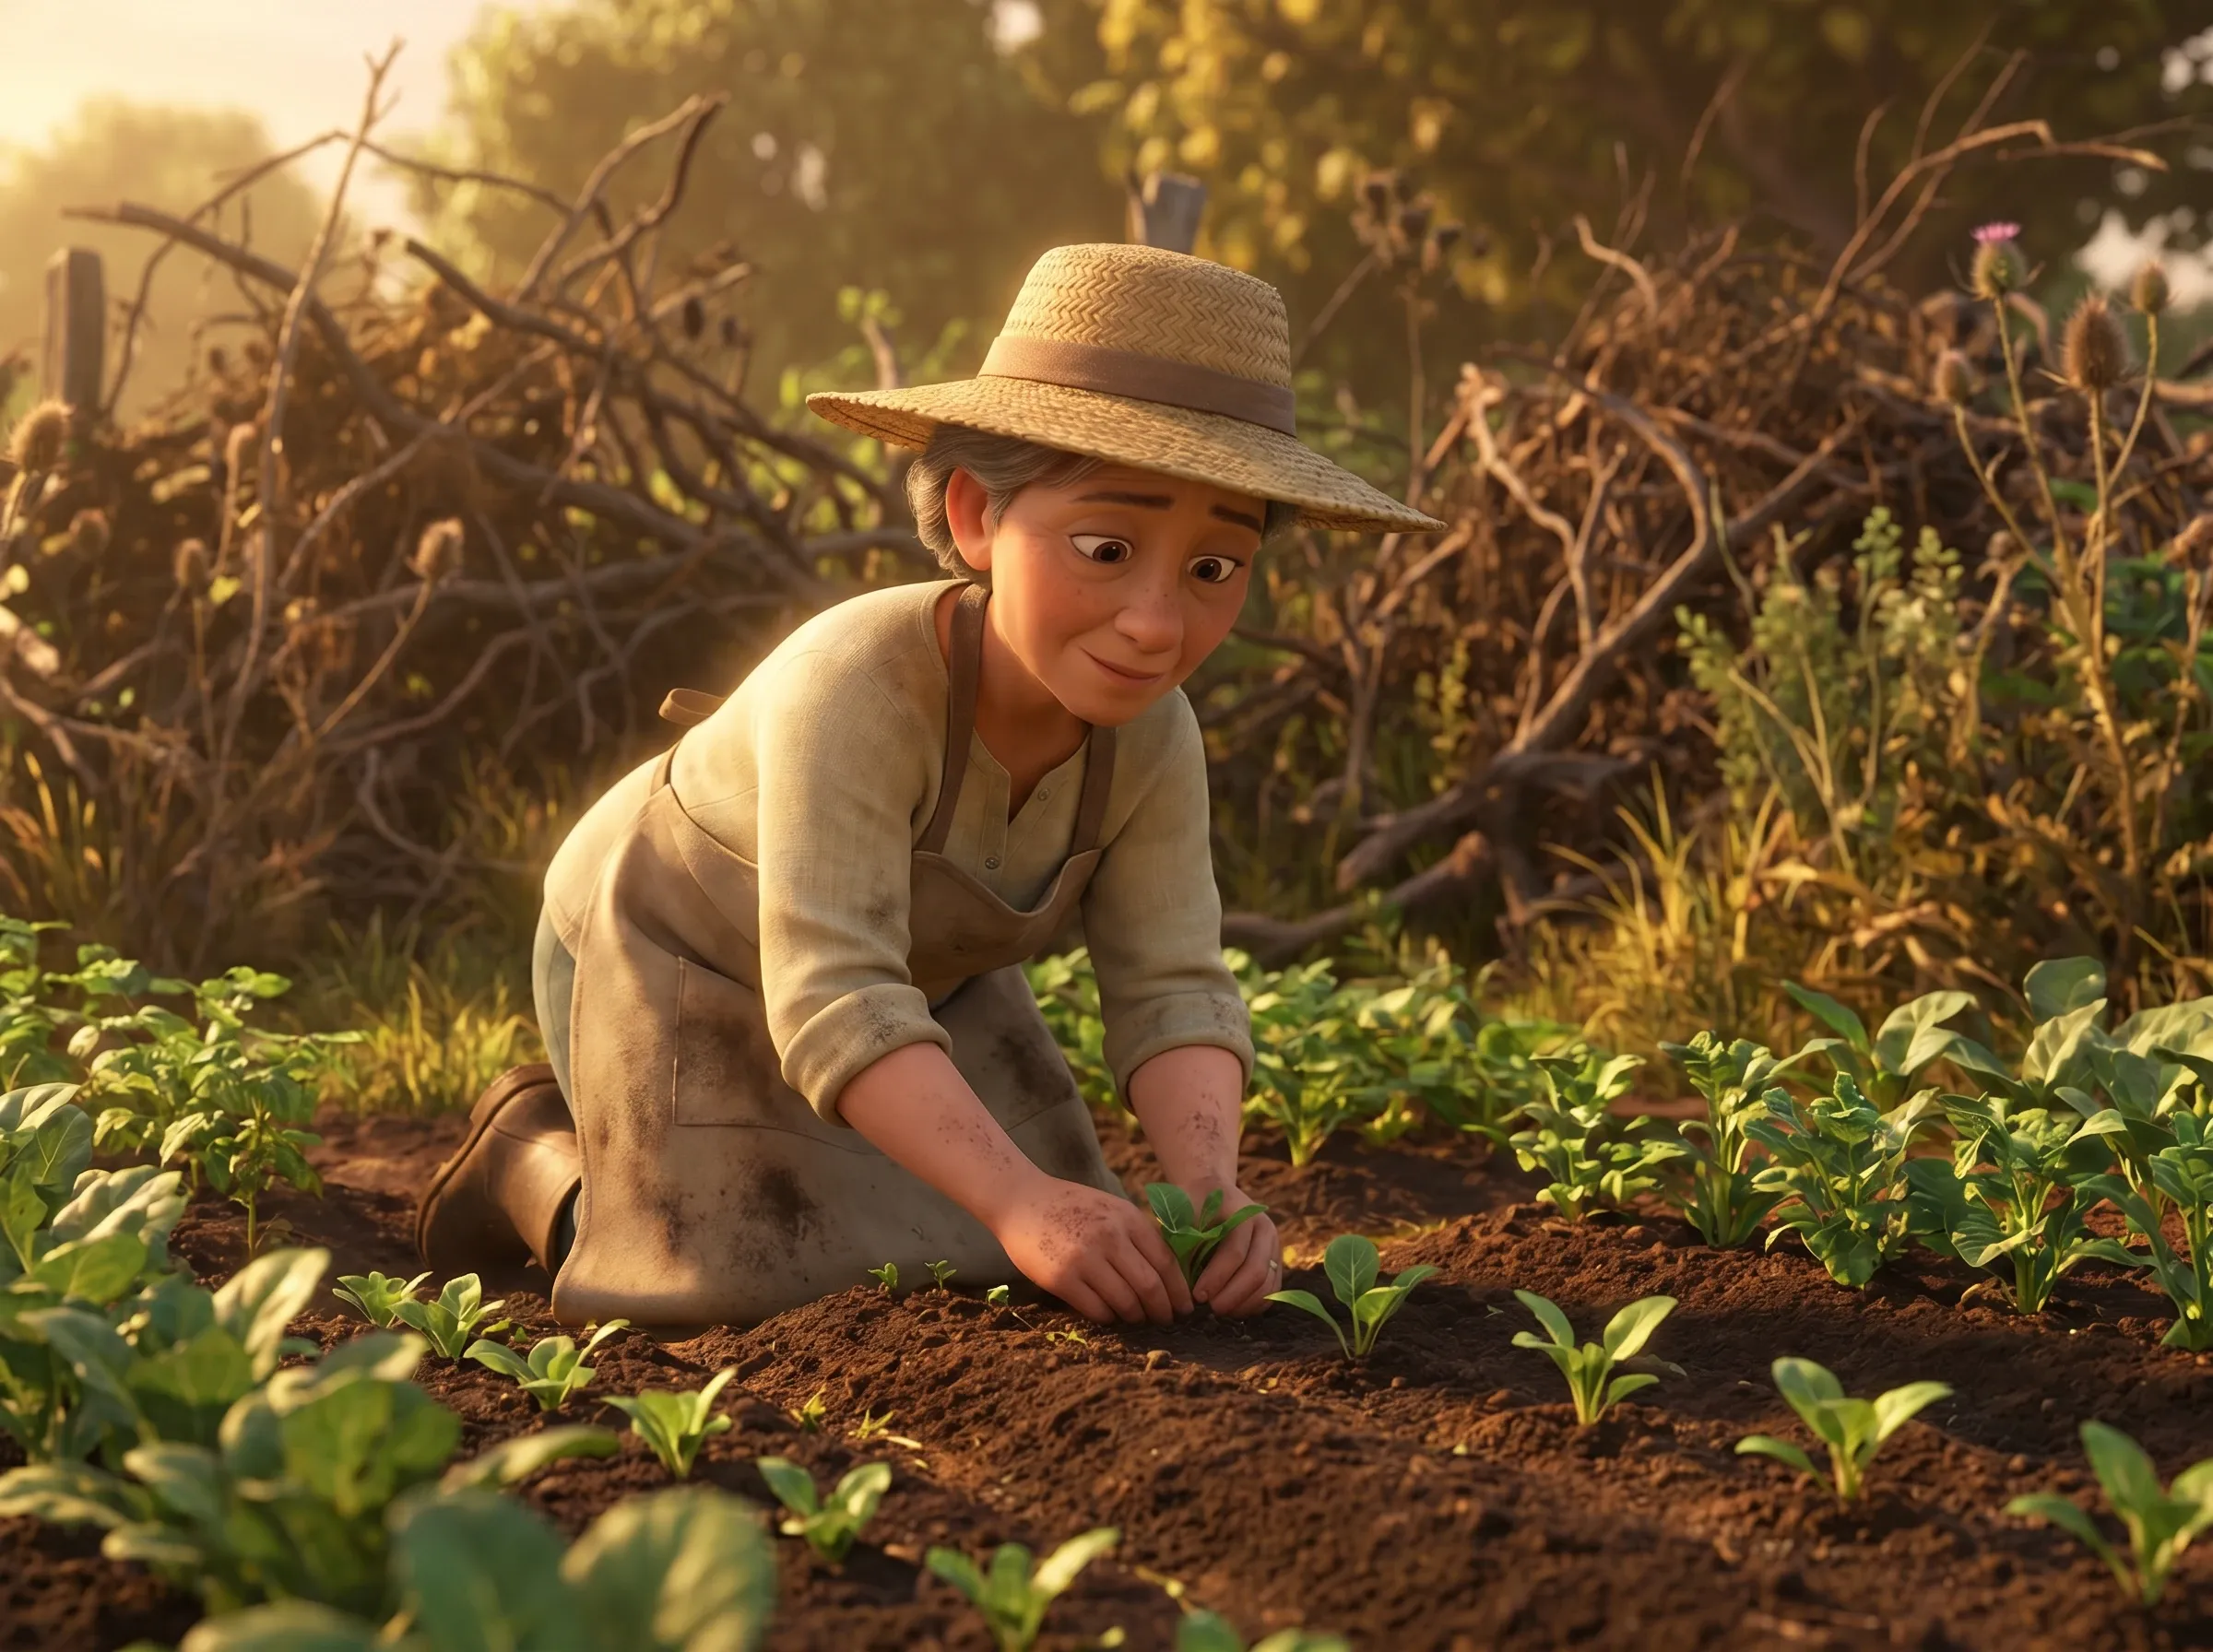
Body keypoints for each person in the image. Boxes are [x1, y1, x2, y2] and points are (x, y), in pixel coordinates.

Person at [413, 241, 1441, 1328]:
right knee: (725, 1274)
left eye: (1213, 569)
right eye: (1105, 547)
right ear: (974, 517)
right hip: (668, 944)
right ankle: (532, 1158)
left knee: (1016, 1261)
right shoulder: (851, 686)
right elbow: (832, 992)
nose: (1155, 622)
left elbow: (1170, 984)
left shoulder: (1152, 735)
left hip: (913, 975)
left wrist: (1207, 1189)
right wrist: (1019, 1198)